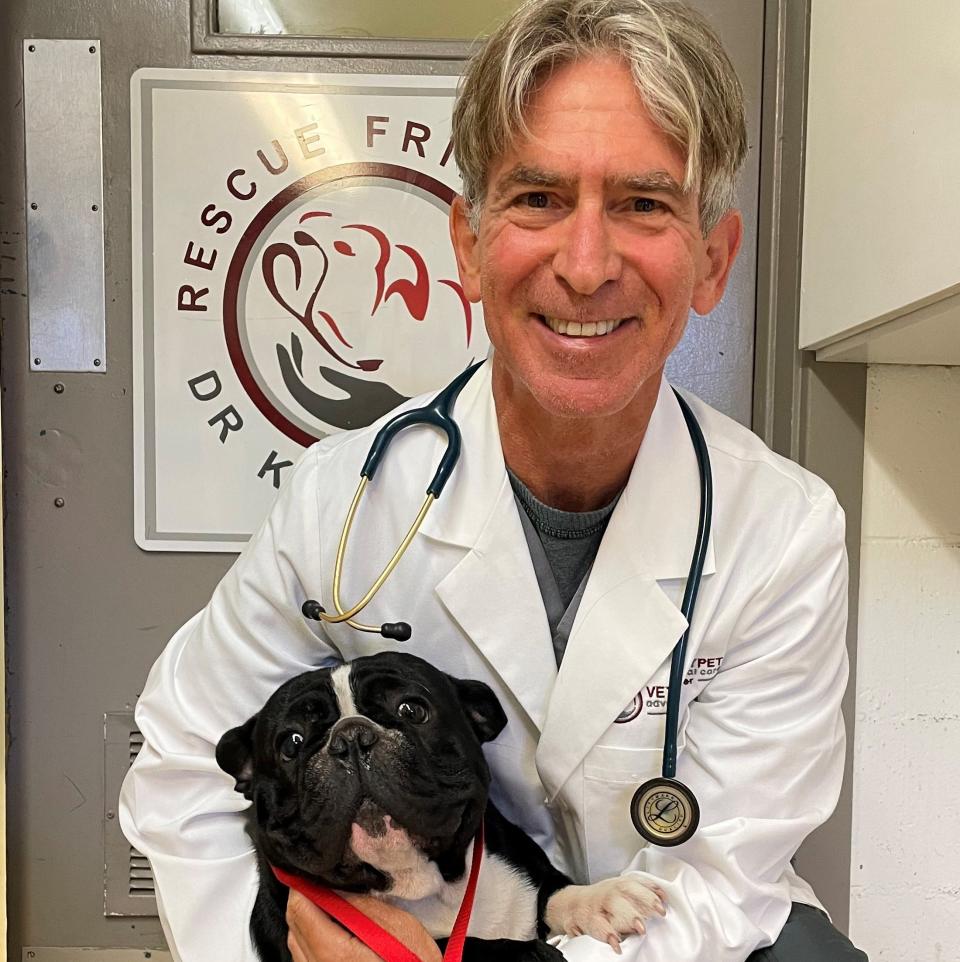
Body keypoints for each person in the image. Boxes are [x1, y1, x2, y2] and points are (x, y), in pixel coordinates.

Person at [120, 1, 869, 960]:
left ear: (712, 261)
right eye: (539, 199)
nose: (587, 265)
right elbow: (185, 763)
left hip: (676, 935)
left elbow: (722, 881)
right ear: (468, 246)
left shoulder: (783, 532)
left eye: (643, 203)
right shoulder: (344, 501)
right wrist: (282, 943)